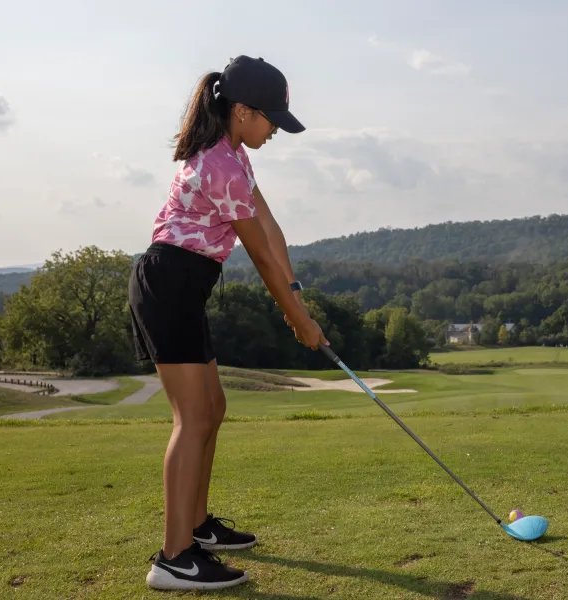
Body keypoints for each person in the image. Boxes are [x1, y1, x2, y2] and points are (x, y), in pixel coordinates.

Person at [128, 55, 328, 591]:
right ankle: (173, 558)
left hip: (184, 288)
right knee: (191, 418)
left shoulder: (235, 158)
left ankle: (197, 525)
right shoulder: (217, 164)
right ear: (241, 111)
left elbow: (271, 230)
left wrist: (299, 300)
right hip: (168, 283)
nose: (275, 132)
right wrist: (299, 321)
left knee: (213, 407)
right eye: (271, 120)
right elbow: (259, 256)